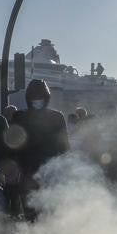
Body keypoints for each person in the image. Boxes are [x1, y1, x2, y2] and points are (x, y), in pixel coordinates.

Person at [15, 79, 69, 218]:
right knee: (29, 206)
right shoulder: (20, 116)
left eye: (40, 97)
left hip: (50, 167)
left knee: (50, 207)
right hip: (27, 168)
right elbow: (13, 144)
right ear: (28, 98)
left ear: (46, 97)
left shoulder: (57, 117)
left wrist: (64, 166)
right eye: (34, 97)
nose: (37, 100)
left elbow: (64, 145)